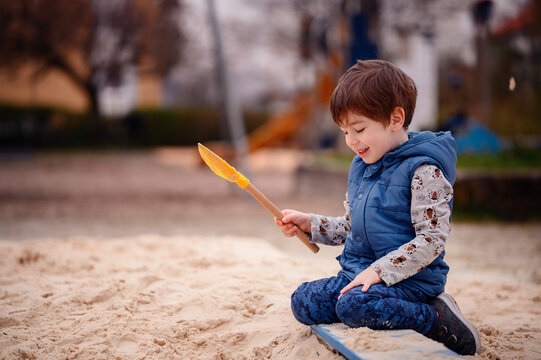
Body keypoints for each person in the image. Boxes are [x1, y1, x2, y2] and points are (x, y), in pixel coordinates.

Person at [275, 60, 481, 355]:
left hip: (410, 282)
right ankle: (366, 303)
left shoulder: (424, 172)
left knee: (353, 305)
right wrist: (310, 224)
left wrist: (379, 272)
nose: (350, 141)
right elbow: (351, 227)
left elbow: (431, 241)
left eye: (358, 129)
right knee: (303, 301)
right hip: (357, 276)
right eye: (345, 131)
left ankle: (436, 318)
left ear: (395, 119)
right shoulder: (361, 166)